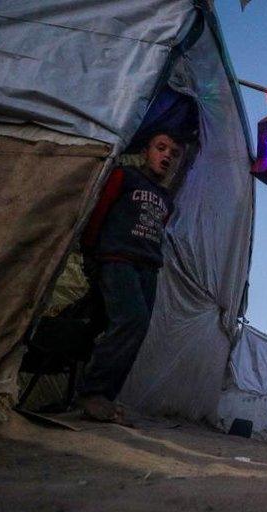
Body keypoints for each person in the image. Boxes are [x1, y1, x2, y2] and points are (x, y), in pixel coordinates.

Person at [77, 132, 182, 423]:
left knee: (136, 329)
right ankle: (93, 393)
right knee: (130, 320)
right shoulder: (125, 177)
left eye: (173, 153)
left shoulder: (165, 200)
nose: (167, 156)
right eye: (160, 148)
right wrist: (90, 251)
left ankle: (105, 398)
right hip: (117, 260)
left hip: (148, 267)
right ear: (146, 150)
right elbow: (99, 212)